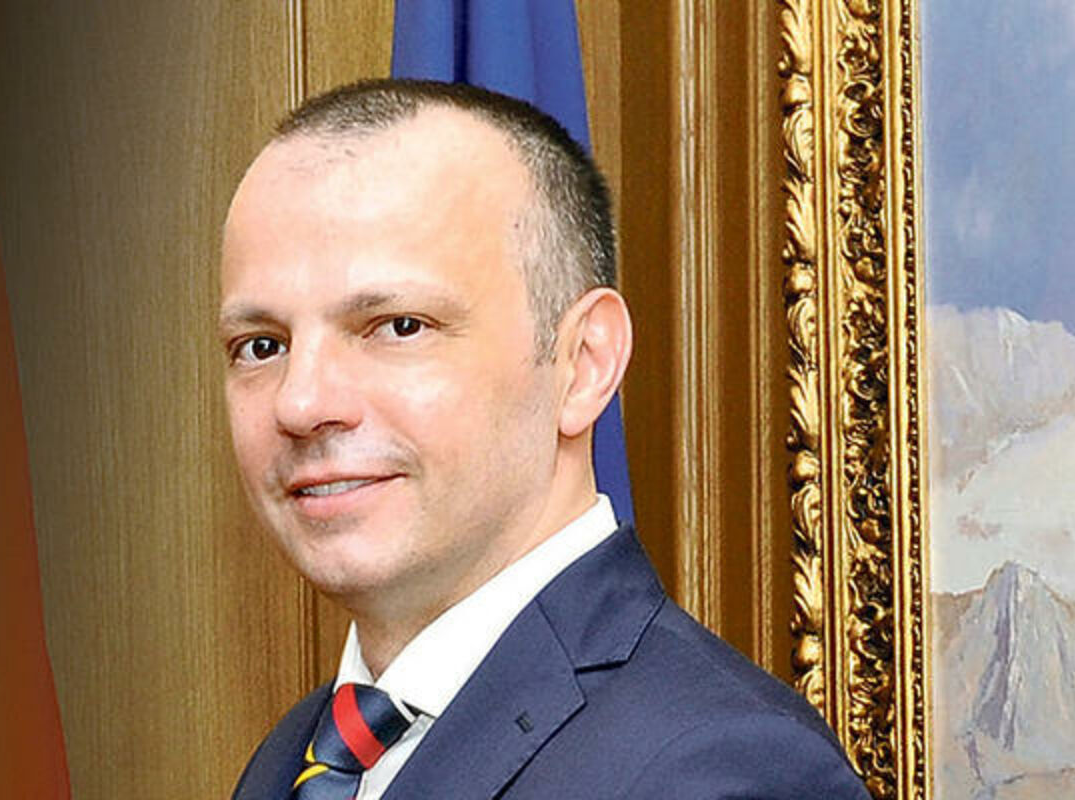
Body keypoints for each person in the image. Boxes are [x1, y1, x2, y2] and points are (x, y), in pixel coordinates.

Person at [219, 78, 871, 800]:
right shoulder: (296, 758)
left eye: (399, 327)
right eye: (260, 345)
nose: (302, 402)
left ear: (583, 364)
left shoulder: (725, 768)